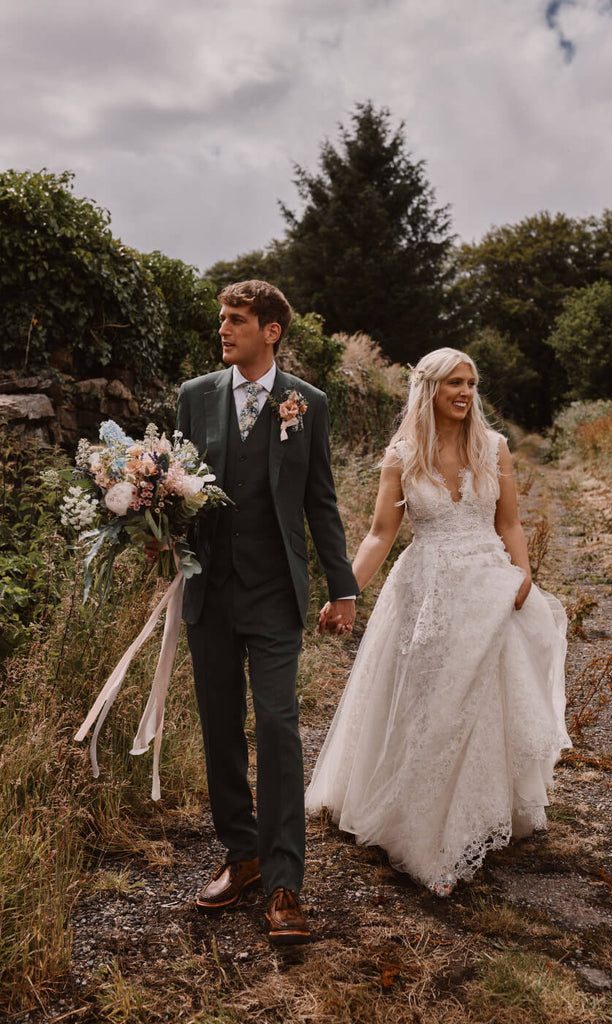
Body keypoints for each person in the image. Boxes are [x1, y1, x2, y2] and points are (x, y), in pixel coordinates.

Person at [309, 348, 571, 895]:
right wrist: (344, 591)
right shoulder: (402, 455)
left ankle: (479, 812)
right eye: (454, 382)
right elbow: (381, 533)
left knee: (483, 700)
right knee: (431, 698)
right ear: (428, 388)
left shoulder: (494, 448)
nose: (465, 392)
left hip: (489, 586)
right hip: (425, 588)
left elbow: (511, 523)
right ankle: (419, 815)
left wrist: (523, 575)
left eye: (472, 383)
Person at [177, 280, 357, 944]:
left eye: (236, 320)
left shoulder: (307, 403)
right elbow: (178, 483)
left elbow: (320, 502)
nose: (223, 329)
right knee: (220, 728)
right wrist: (151, 525)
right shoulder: (195, 396)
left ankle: (286, 882)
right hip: (209, 591)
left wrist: (343, 588)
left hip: (276, 592)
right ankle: (243, 855)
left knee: (278, 728)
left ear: (271, 331)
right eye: (222, 319)